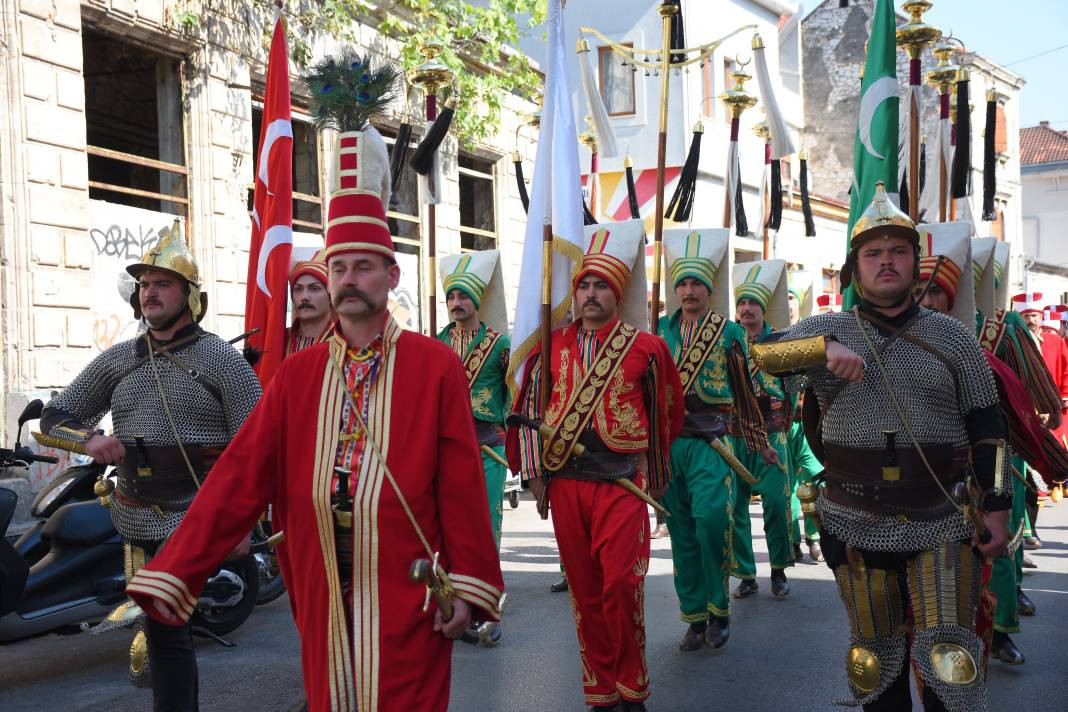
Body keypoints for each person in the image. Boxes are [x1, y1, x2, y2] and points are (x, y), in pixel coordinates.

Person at [125, 113, 504, 712]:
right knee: (333, 699)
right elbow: (241, 474)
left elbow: (459, 483)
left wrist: (471, 582)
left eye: (364, 267)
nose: (349, 280)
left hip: (406, 581)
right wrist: (179, 570)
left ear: (391, 275)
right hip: (320, 576)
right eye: (339, 268)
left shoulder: (435, 364)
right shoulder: (298, 374)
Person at [750, 183, 1010, 711]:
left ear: (916, 263)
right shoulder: (826, 329)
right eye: (873, 253)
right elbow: (763, 355)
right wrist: (822, 348)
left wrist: (1000, 506)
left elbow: (990, 428)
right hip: (853, 515)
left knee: (949, 662)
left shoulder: (953, 336)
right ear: (855, 267)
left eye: (898, 251)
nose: (885, 262)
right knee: (875, 660)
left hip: (939, 513)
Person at [40, 221, 262, 708]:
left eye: (162, 283)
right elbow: (55, 417)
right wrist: (90, 439)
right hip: (134, 510)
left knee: (168, 626)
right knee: (158, 628)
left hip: (197, 513)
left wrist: (242, 520)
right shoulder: (119, 359)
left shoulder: (222, 360)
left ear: (189, 295)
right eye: (144, 284)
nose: (150, 293)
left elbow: (258, 444)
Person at [507, 219, 683, 712]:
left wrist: (656, 477)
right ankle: (601, 689)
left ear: (617, 292)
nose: (589, 293)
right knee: (584, 593)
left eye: (599, 285)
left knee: (622, 586)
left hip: (622, 483)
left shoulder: (647, 348)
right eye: (583, 284)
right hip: (565, 485)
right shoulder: (550, 344)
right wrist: (536, 478)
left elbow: (667, 414)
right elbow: (527, 412)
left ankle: (632, 684)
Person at [657, 228, 770, 650]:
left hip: (713, 443)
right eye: (682, 283)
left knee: (710, 523)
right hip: (670, 444)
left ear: (708, 289)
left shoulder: (729, 333)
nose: (688, 291)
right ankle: (695, 617)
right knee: (681, 531)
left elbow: (744, 394)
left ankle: (720, 608)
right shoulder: (660, 333)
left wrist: (760, 442)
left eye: (696, 284)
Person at [436, 249, 511, 649]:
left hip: (487, 450)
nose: (456, 303)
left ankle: (490, 608)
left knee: (486, 530)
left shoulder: (500, 346)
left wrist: (520, 451)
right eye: (451, 297)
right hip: (446, 452)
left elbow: (515, 399)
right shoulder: (436, 344)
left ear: (477, 300)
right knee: (449, 533)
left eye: (463, 296)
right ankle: (455, 605)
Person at [731, 259, 796, 598]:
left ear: (763, 307)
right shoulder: (729, 340)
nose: (745, 309)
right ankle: (745, 573)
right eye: (741, 303)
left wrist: (784, 420)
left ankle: (779, 568)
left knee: (774, 501)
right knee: (735, 504)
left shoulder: (781, 340)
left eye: (752, 302)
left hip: (772, 433)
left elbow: (795, 385)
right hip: (735, 433)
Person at [786, 271, 825, 562]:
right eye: (783, 297)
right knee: (786, 485)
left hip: (808, 423)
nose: (787, 303)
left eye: (791, 297)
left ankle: (814, 535)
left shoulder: (812, 335)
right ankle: (790, 540)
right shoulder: (770, 337)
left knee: (813, 477)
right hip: (779, 425)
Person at [286, 249, 334, 355]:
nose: (304, 297)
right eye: (298, 289)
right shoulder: (280, 341)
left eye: (314, 288)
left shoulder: (346, 342)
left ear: (330, 296)